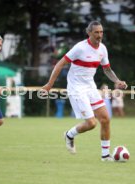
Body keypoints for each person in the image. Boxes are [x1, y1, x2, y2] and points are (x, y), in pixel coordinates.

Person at [42, 21, 127, 161]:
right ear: (89, 33)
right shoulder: (80, 48)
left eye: (101, 32)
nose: (100, 35)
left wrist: (116, 81)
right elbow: (60, 64)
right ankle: (69, 135)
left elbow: (106, 69)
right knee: (92, 124)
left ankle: (105, 156)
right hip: (76, 88)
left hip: (90, 87)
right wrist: (49, 84)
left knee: (105, 119)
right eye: (96, 32)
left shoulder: (103, 49)